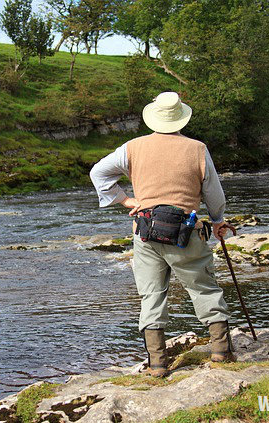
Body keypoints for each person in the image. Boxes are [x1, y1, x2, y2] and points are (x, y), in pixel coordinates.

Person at [89, 91, 236, 378]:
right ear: (181, 118)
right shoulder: (197, 148)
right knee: (204, 289)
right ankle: (221, 352)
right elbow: (214, 194)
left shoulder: (131, 148)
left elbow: (98, 173)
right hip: (187, 233)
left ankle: (157, 365)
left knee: (151, 297)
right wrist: (218, 221)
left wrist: (126, 200)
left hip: (145, 233)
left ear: (154, 117)